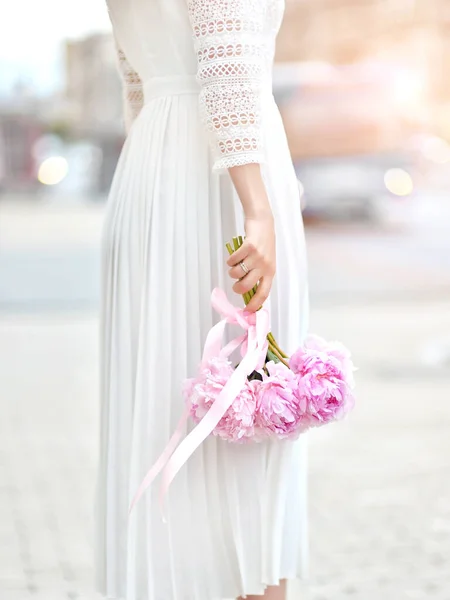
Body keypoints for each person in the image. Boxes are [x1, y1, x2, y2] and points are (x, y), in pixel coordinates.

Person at [95, 1, 308, 599]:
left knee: (166, 412)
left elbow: (134, 75)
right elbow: (226, 57)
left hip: (154, 171)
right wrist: (261, 207)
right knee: (250, 425)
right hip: (222, 179)